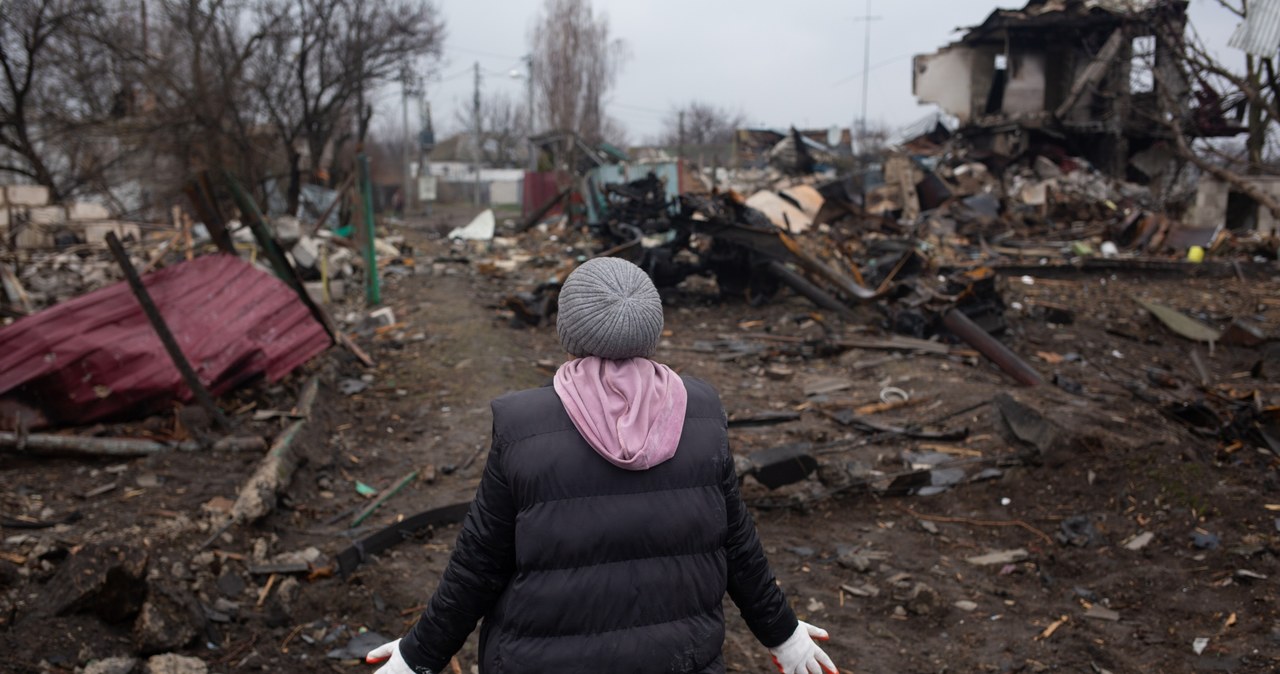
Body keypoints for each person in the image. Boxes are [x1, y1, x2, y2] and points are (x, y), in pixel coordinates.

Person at [366, 257, 838, 674]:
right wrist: (784, 634)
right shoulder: (701, 411)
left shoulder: (522, 425)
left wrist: (418, 656)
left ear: (568, 331)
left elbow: (479, 563)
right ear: (652, 330)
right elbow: (737, 543)